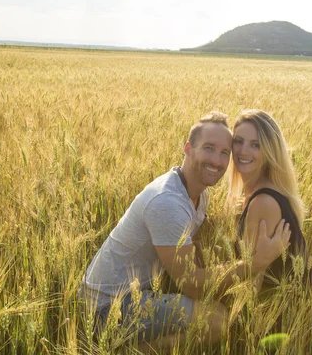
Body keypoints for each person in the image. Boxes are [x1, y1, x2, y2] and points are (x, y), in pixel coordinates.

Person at [79, 111, 291, 349]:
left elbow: (195, 257)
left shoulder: (200, 194)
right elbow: (190, 284)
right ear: (188, 148)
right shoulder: (167, 203)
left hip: (136, 292)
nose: (217, 161)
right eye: (208, 148)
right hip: (107, 307)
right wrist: (254, 264)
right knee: (216, 321)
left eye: (224, 153)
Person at [228, 109, 308, 293]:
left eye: (255, 145)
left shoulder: (263, 202)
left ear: (269, 151)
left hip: (273, 315)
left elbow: (250, 287)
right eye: (238, 141)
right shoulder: (255, 195)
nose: (243, 151)